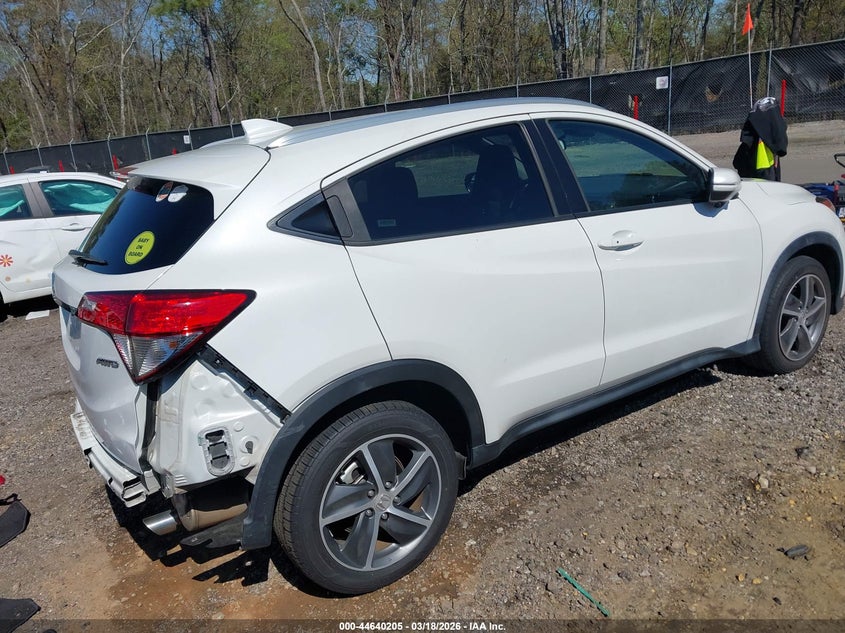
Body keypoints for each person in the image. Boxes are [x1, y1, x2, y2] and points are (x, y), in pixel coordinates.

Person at [732, 96, 788, 181]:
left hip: (755, 180)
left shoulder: (751, 136)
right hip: (765, 180)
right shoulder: (772, 138)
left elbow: (737, 162)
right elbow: (781, 146)